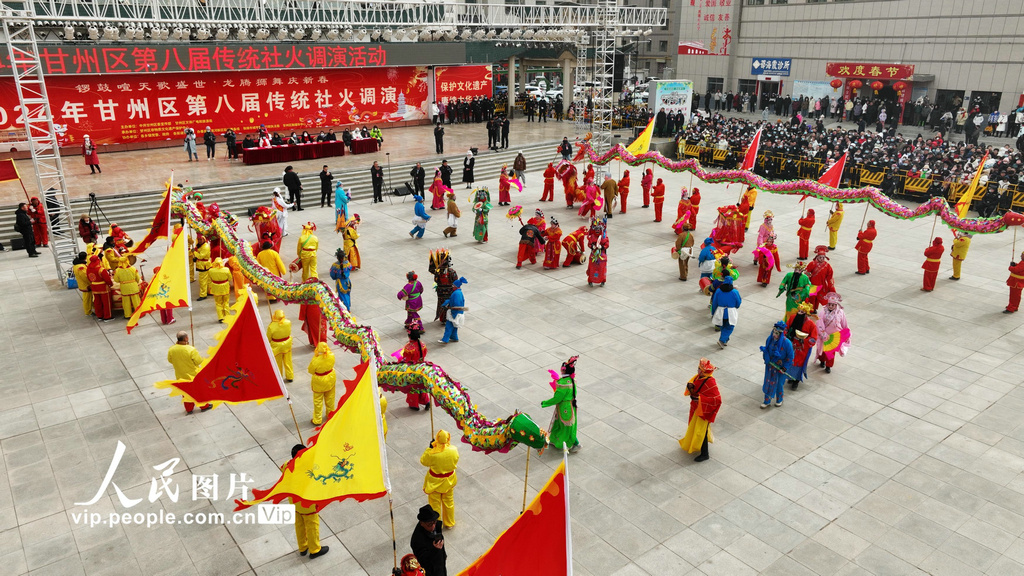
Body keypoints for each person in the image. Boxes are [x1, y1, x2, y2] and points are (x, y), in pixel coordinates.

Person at [285, 444, 330, 560]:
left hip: (294, 503)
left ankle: (302, 547)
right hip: (307, 505)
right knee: (312, 526)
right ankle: (315, 549)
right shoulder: (310, 471)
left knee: (299, 525)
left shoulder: (287, 465)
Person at [678, 358, 721, 462]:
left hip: (703, 410)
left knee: (700, 431)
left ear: (703, 371)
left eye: (699, 369)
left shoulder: (711, 382)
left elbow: (717, 399)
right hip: (697, 408)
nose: (697, 370)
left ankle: (705, 454)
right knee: (699, 429)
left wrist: (700, 399)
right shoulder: (699, 377)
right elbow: (694, 388)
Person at [420, 429, 459, 528]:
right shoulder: (454, 449)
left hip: (435, 482)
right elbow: (456, 459)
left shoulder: (432, 453)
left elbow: (423, 461)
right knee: (449, 502)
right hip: (449, 481)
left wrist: (429, 449)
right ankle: (449, 523)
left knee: (435, 504)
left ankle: (437, 525)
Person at [541, 355, 580, 453]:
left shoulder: (563, 384)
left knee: (566, 428)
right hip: (570, 405)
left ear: (563, 371)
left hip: (564, 407)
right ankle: (555, 440)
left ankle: (575, 443)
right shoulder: (571, 380)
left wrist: (545, 403)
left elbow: (557, 398)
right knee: (562, 425)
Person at [167, 331, 211, 413]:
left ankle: (189, 409)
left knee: (186, 392)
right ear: (186, 338)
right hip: (193, 374)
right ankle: (204, 406)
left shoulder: (172, 349)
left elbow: (170, 360)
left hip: (180, 375)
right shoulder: (191, 349)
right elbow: (198, 361)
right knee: (198, 391)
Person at [760, 321, 794, 408]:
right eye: (774, 332)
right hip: (770, 366)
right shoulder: (769, 339)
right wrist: (766, 357)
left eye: (777, 333)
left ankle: (779, 399)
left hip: (780, 367)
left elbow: (790, 357)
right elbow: (766, 350)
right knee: (768, 382)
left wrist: (785, 368)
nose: (775, 335)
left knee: (779, 384)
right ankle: (766, 401)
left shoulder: (787, 343)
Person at [785, 302, 818, 389]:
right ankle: (789, 377)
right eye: (799, 311)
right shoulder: (792, 318)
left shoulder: (811, 325)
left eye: (802, 312)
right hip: (791, 345)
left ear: (806, 314)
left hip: (802, 348)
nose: (799, 313)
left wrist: (804, 340)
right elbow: (786, 327)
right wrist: (785, 335)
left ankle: (796, 381)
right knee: (790, 361)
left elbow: (813, 339)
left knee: (799, 364)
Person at [816, 292, 850, 373]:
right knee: (823, 350)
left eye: (833, 305)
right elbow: (819, 323)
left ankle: (828, 366)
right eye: (829, 304)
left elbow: (844, 323)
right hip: (824, 335)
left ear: (836, 305)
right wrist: (823, 334)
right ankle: (822, 360)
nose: (831, 306)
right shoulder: (823, 311)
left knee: (831, 352)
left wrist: (846, 333)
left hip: (834, 337)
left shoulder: (840, 312)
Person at [401, 318, 430, 409]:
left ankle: (414, 405)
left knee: (413, 388)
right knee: (421, 386)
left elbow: (406, 360)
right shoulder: (422, 345)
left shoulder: (409, 348)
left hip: (413, 370)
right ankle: (426, 401)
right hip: (421, 367)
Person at [410, 505, 446, 576]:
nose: (433, 526)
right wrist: (435, 549)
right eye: (429, 525)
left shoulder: (436, 526)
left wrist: (443, 555)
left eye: (434, 522)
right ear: (422, 523)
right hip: (431, 571)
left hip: (441, 566)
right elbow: (423, 561)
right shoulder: (417, 540)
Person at [306, 342, 336, 426]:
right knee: (330, 398)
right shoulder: (331, 355)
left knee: (318, 401)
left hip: (319, 381)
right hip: (330, 378)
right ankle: (330, 414)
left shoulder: (315, 360)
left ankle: (317, 419)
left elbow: (311, 370)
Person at [711, 275, 741, 348]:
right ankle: (722, 340)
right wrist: (736, 307)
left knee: (723, 326)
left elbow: (714, 302)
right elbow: (738, 302)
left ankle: (725, 340)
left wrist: (713, 312)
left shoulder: (718, 291)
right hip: (730, 312)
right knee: (730, 327)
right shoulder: (734, 292)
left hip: (720, 311)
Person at [430, 249, 458, 324]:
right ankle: (448, 318)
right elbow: (455, 280)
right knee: (449, 304)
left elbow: (436, 281)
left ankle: (443, 319)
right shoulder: (452, 271)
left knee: (442, 304)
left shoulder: (438, 272)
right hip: (449, 291)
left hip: (441, 291)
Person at [805, 246, 836, 311]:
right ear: (817, 257)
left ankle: (817, 308)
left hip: (822, 285)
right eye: (820, 257)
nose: (822, 259)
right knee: (812, 298)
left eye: (823, 257)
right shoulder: (812, 264)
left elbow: (829, 276)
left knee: (821, 298)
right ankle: (811, 309)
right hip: (812, 284)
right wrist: (809, 276)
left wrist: (831, 286)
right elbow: (806, 272)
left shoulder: (827, 266)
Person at [267, 310, 294, 382]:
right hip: (287, 344)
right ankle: (290, 376)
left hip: (276, 346)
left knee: (278, 362)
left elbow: (268, 338)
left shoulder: (271, 326)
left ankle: (279, 377)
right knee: (288, 361)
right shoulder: (288, 322)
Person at [439, 277, 467, 344]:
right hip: (459, 313)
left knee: (449, 326)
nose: (452, 287)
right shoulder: (458, 292)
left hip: (454, 313)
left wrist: (452, 312)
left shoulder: (456, 293)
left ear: (456, 286)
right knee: (454, 326)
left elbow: (456, 305)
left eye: (453, 286)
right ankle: (454, 337)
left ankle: (445, 339)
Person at [86, 255, 112, 319]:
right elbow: (107, 279)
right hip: (103, 287)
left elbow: (89, 278)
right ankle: (107, 316)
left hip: (94, 287)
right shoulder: (101, 269)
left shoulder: (88, 269)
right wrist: (110, 284)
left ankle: (99, 315)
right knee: (106, 303)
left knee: (97, 302)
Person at [207, 258, 232, 322]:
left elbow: (209, 279)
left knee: (218, 303)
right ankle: (227, 315)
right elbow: (230, 278)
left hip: (216, 288)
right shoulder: (226, 270)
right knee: (226, 302)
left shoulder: (211, 270)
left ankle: (220, 317)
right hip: (225, 287)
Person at [586, 220, 609, 286]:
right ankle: (590, 280)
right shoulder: (592, 236)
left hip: (602, 255)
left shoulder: (604, 236)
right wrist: (592, 246)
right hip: (593, 254)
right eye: (596, 229)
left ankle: (603, 280)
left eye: (599, 229)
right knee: (592, 267)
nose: (597, 230)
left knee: (602, 268)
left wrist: (602, 247)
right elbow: (589, 244)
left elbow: (607, 244)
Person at [192, 234, 212, 300]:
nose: (200, 241)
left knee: (202, 281)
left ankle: (203, 294)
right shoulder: (200, 245)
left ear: (204, 239)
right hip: (203, 265)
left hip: (203, 266)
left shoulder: (205, 247)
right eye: (199, 239)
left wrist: (194, 252)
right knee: (207, 280)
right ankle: (209, 291)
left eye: (201, 239)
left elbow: (201, 256)